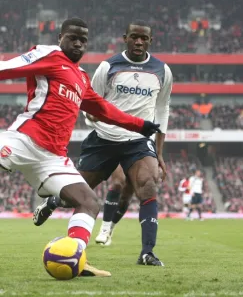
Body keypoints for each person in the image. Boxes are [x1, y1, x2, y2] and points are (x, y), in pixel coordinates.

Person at [0, 17, 161, 277]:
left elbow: (103, 109)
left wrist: (139, 125)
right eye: (72, 38)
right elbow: (5, 69)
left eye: (83, 40)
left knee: (89, 202)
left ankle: (76, 256)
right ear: (61, 38)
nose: (78, 43)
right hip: (24, 140)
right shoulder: (47, 55)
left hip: (52, 158)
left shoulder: (81, 78)